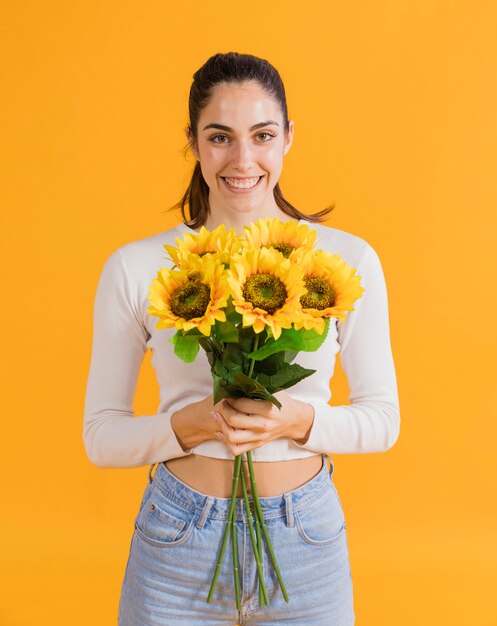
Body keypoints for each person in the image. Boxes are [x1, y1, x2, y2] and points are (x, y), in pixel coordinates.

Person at [83, 51, 400, 626]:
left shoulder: (343, 261)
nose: (243, 159)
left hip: (305, 542)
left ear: (288, 138)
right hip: (176, 543)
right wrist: (192, 424)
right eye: (220, 137)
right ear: (193, 142)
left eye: (262, 135)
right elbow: (101, 437)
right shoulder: (137, 267)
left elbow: (383, 421)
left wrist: (295, 421)